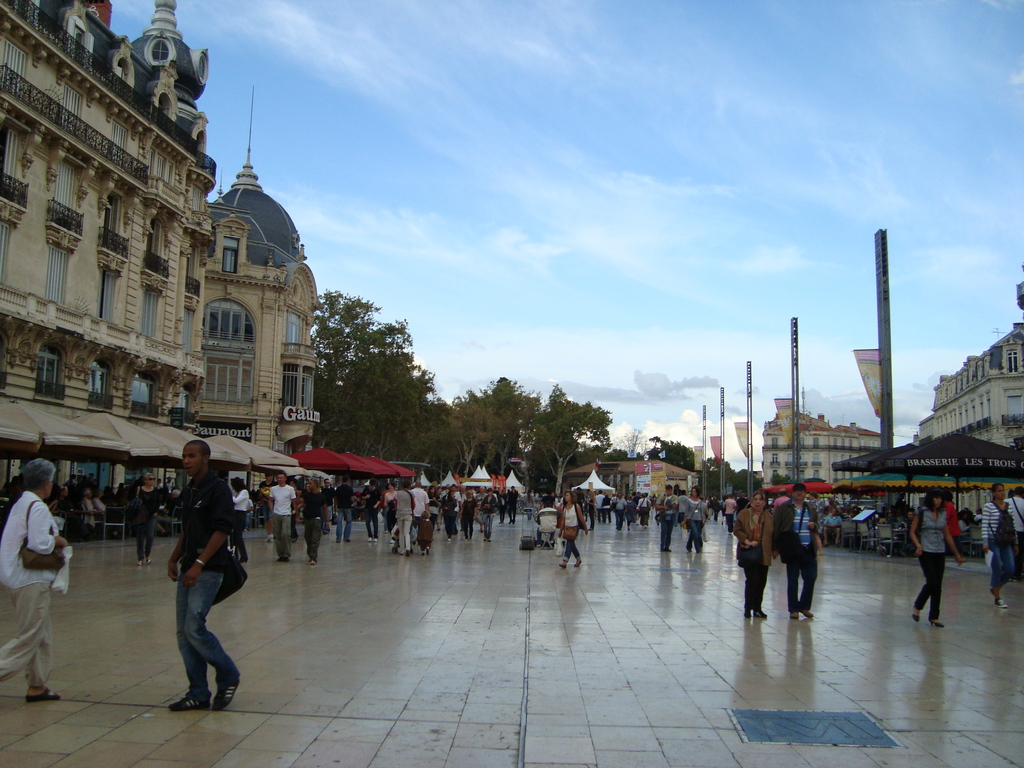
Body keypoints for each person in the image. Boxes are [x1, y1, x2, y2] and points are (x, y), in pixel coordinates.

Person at [167, 440, 240, 712]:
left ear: (206, 459)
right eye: (184, 456)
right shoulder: (190, 490)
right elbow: (188, 527)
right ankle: (197, 692)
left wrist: (199, 562)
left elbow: (222, 529)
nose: (186, 461)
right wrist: (175, 557)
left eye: (192, 456)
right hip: (189, 562)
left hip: (209, 566)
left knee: (194, 626)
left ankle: (228, 673)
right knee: (183, 633)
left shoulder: (218, 489)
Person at [0, 458, 67, 703]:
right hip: (30, 579)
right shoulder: (37, 506)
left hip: (17, 576)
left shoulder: (22, 502)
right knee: (29, 636)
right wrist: (58, 541)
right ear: (47, 483)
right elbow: (39, 544)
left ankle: (37, 686)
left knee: (41, 632)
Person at [910, 488, 965, 627]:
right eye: (936, 498)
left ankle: (934, 616)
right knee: (932, 581)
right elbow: (912, 531)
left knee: (938, 585)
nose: (938, 501)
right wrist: (918, 545)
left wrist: (957, 554)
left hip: (939, 550)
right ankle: (918, 605)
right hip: (926, 550)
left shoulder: (942, 513)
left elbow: (947, 535)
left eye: (940, 498)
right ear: (930, 499)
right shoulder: (922, 512)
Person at [773, 482, 821, 620]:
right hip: (793, 549)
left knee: (811, 577)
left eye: (802, 491)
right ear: (792, 493)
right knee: (793, 579)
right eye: (797, 491)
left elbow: (818, 525)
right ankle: (793, 609)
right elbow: (777, 526)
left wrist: (814, 526)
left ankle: (804, 606)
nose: (800, 493)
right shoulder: (785, 507)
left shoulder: (810, 508)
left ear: (806, 494)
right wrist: (775, 547)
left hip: (809, 548)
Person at [733, 489, 774, 618]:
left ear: (764, 502)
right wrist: (747, 541)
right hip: (749, 551)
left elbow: (773, 534)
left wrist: (775, 549)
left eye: (760, 499)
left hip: (763, 553)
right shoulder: (744, 514)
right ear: (751, 501)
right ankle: (748, 607)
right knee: (752, 580)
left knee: (762, 582)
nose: (758, 502)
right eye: (755, 499)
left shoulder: (768, 517)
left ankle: (757, 608)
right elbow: (737, 530)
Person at [982, 483, 1018, 609]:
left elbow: (1012, 525)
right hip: (993, 541)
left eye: (1003, 491)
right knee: (998, 567)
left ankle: (995, 588)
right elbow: (985, 524)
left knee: (1010, 569)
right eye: (999, 491)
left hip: (1007, 541)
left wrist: (1016, 542)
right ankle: (998, 598)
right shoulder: (988, 506)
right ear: (994, 493)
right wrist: (985, 542)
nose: (1002, 493)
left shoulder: (1009, 507)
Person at [298, 479, 328, 565]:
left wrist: (326, 520)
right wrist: (298, 496)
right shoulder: (306, 495)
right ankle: (310, 554)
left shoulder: (321, 497)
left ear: (315, 485)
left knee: (315, 539)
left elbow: (325, 508)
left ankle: (313, 557)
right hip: (307, 519)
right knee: (308, 538)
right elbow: (298, 503)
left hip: (317, 519)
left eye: (310, 484)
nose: (308, 485)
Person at [269, 472, 297, 562]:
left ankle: (287, 553)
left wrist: (295, 510)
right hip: (277, 513)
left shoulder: (290, 489)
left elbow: (294, 501)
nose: (279, 479)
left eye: (281, 478)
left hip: (286, 513)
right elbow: (270, 500)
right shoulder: (274, 489)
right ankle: (280, 554)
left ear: (285, 479)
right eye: (278, 478)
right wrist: (272, 510)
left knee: (285, 533)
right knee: (277, 535)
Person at [557, 491, 588, 568]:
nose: (565, 497)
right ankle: (578, 559)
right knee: (572, 544)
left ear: (571, 497)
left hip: (574, 527)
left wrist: (585, 527)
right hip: (567, 528)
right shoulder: (565, 507)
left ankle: (565, 560)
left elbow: (581, 517)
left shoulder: (576, 506)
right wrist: (561, 530)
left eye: (567, 495)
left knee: (569, 543)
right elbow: (563, 520)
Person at [229, 478, 251, 564]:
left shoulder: (244, 492)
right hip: (235, 513)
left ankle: (243, 555)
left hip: (240, 514)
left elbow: (236, 501)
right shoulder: (238, 493)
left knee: (238, 536)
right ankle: (235, 554)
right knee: (233, 536)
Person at [681, 487, 707, 553]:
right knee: (695, 533)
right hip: (691, 519)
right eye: (692, 491)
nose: (693, 493)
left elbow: (701, 511)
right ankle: (698, 548)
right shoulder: (688, 501)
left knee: (697, 534)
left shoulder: (699, 501)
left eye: (694, 491)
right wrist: (684, 520)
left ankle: (688, 546)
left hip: (698, 519)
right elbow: (686, 511)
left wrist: (703, 519)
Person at [394, 481, 415, 556]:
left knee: (401, 532)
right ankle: (408, 548)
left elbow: (395, 503)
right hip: (408, 513)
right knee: (407, 532)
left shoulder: (398, 493)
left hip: (400, 513)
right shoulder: (411, 493)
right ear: (409, 486)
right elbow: (413, 504)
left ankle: (402, 549)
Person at [655, 486, 678, 552]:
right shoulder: (663, 496)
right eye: (668, 490)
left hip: (671, 516)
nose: (669, 491)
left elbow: (675, 505)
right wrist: (663, 507)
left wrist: (673, 505)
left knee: (669, 532)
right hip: (664, 515)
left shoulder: (675, 497)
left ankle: (667, 546)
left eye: (670, 490)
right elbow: (657, 505)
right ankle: (662, 546)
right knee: (664, 531)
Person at [1008, 486, 1024, 580]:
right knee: (1019, 552)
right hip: (1020, 531)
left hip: (1008, 530)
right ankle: (1016, 573)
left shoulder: (1006, 502)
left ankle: (1008, 571)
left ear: (1014, 493)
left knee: (1008, 551)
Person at [333, 476, 354, 543]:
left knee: (339, 522)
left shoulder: (338, 488)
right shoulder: (350, 489)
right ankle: (346, 537)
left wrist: (335, 506)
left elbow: (335, 498)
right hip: (347, 507)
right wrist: (352, 502)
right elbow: (352, 498)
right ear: (347, 481)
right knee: (348, 522)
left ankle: (338, 538)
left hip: (340, 506)